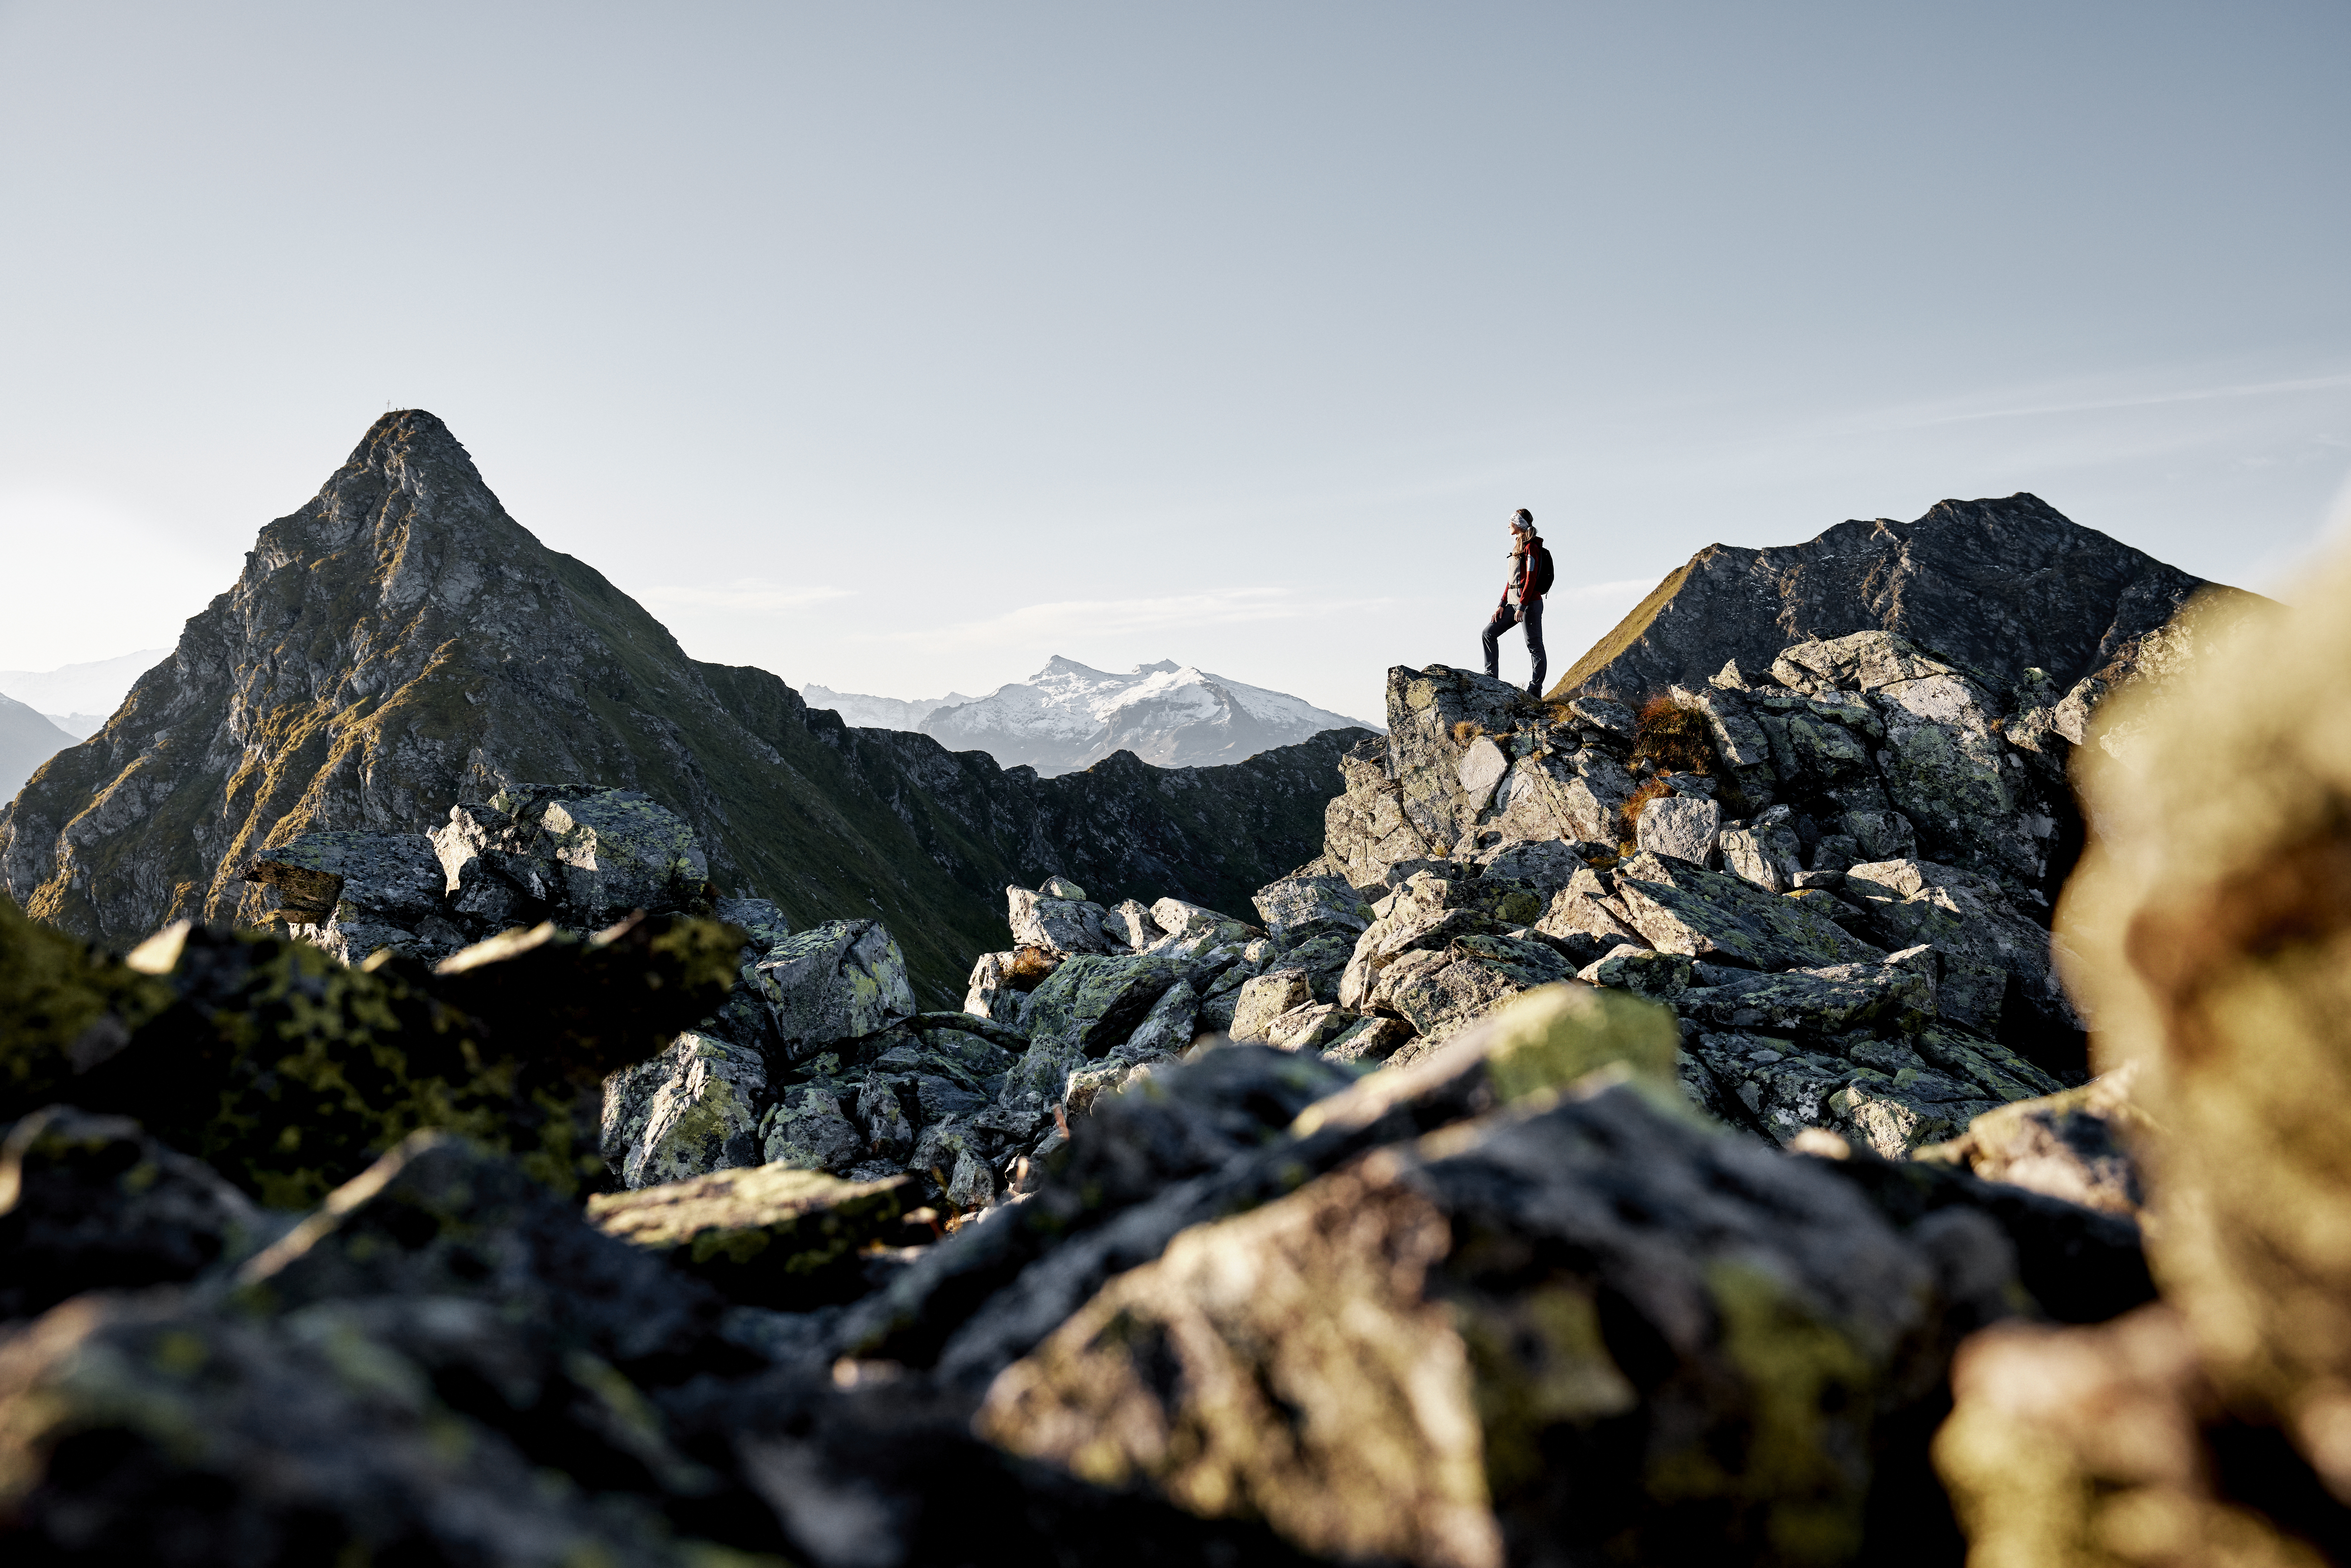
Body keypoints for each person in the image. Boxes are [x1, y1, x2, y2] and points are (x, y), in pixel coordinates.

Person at [1482, 508, 1546, 696]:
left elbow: (1531, 579)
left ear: (1518, 524)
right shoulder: (1519, 546)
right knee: (1489, 633)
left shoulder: (1531, 547)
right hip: (1513, 604)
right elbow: (1512, 580)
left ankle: (1535, 690)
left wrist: (1522, 606)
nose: (1508, 526)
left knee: (1534, 646)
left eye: (1511, 522)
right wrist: (1501, 605)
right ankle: (1491, 679)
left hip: (1529, 605)